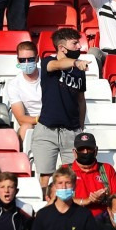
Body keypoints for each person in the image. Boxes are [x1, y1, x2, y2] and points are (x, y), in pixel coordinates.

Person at [35, 28, 89, 188]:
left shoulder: (79, 72)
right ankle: (46, 209)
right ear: (61, 48)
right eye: (75, 43)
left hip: (71, 131)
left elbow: (81, 100)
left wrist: (80, 127)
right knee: (45, 178)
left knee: (73, 178)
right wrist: (75, 63)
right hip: (47, 130)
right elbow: (57, 65)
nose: (79, 46)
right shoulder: (47, 62)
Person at [30, 166, 103, 230]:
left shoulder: (85, 214)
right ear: (55, 186)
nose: (64, 187)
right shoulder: (42, 215)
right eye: (60, 183)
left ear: (74, 186)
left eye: (68, 183)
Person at [70, 132, 116, 216]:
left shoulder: (107, 169)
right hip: (73, 221)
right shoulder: (65, 170)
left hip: (102, 223)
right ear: (74, 152)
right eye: (81, 149)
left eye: (89, 149)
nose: (85, 152)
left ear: (96, 151)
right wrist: (87, 200)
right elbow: (57, 199)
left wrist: (105, 198)